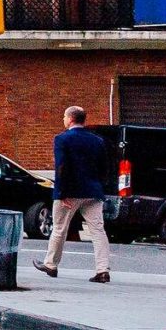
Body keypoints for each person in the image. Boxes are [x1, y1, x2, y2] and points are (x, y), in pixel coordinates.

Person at [37, 105, 113, 283]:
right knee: (98, 230)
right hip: (93, 192)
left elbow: (61, 167)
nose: (63, 119)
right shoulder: (97, 141)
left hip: (70, 191)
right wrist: (99, 185)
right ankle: (103, 270)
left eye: (64, 116)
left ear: (70, 119)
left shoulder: (62, 139)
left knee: (59, 228)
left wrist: (62, 192)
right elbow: (105, 167)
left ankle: (51, 264)